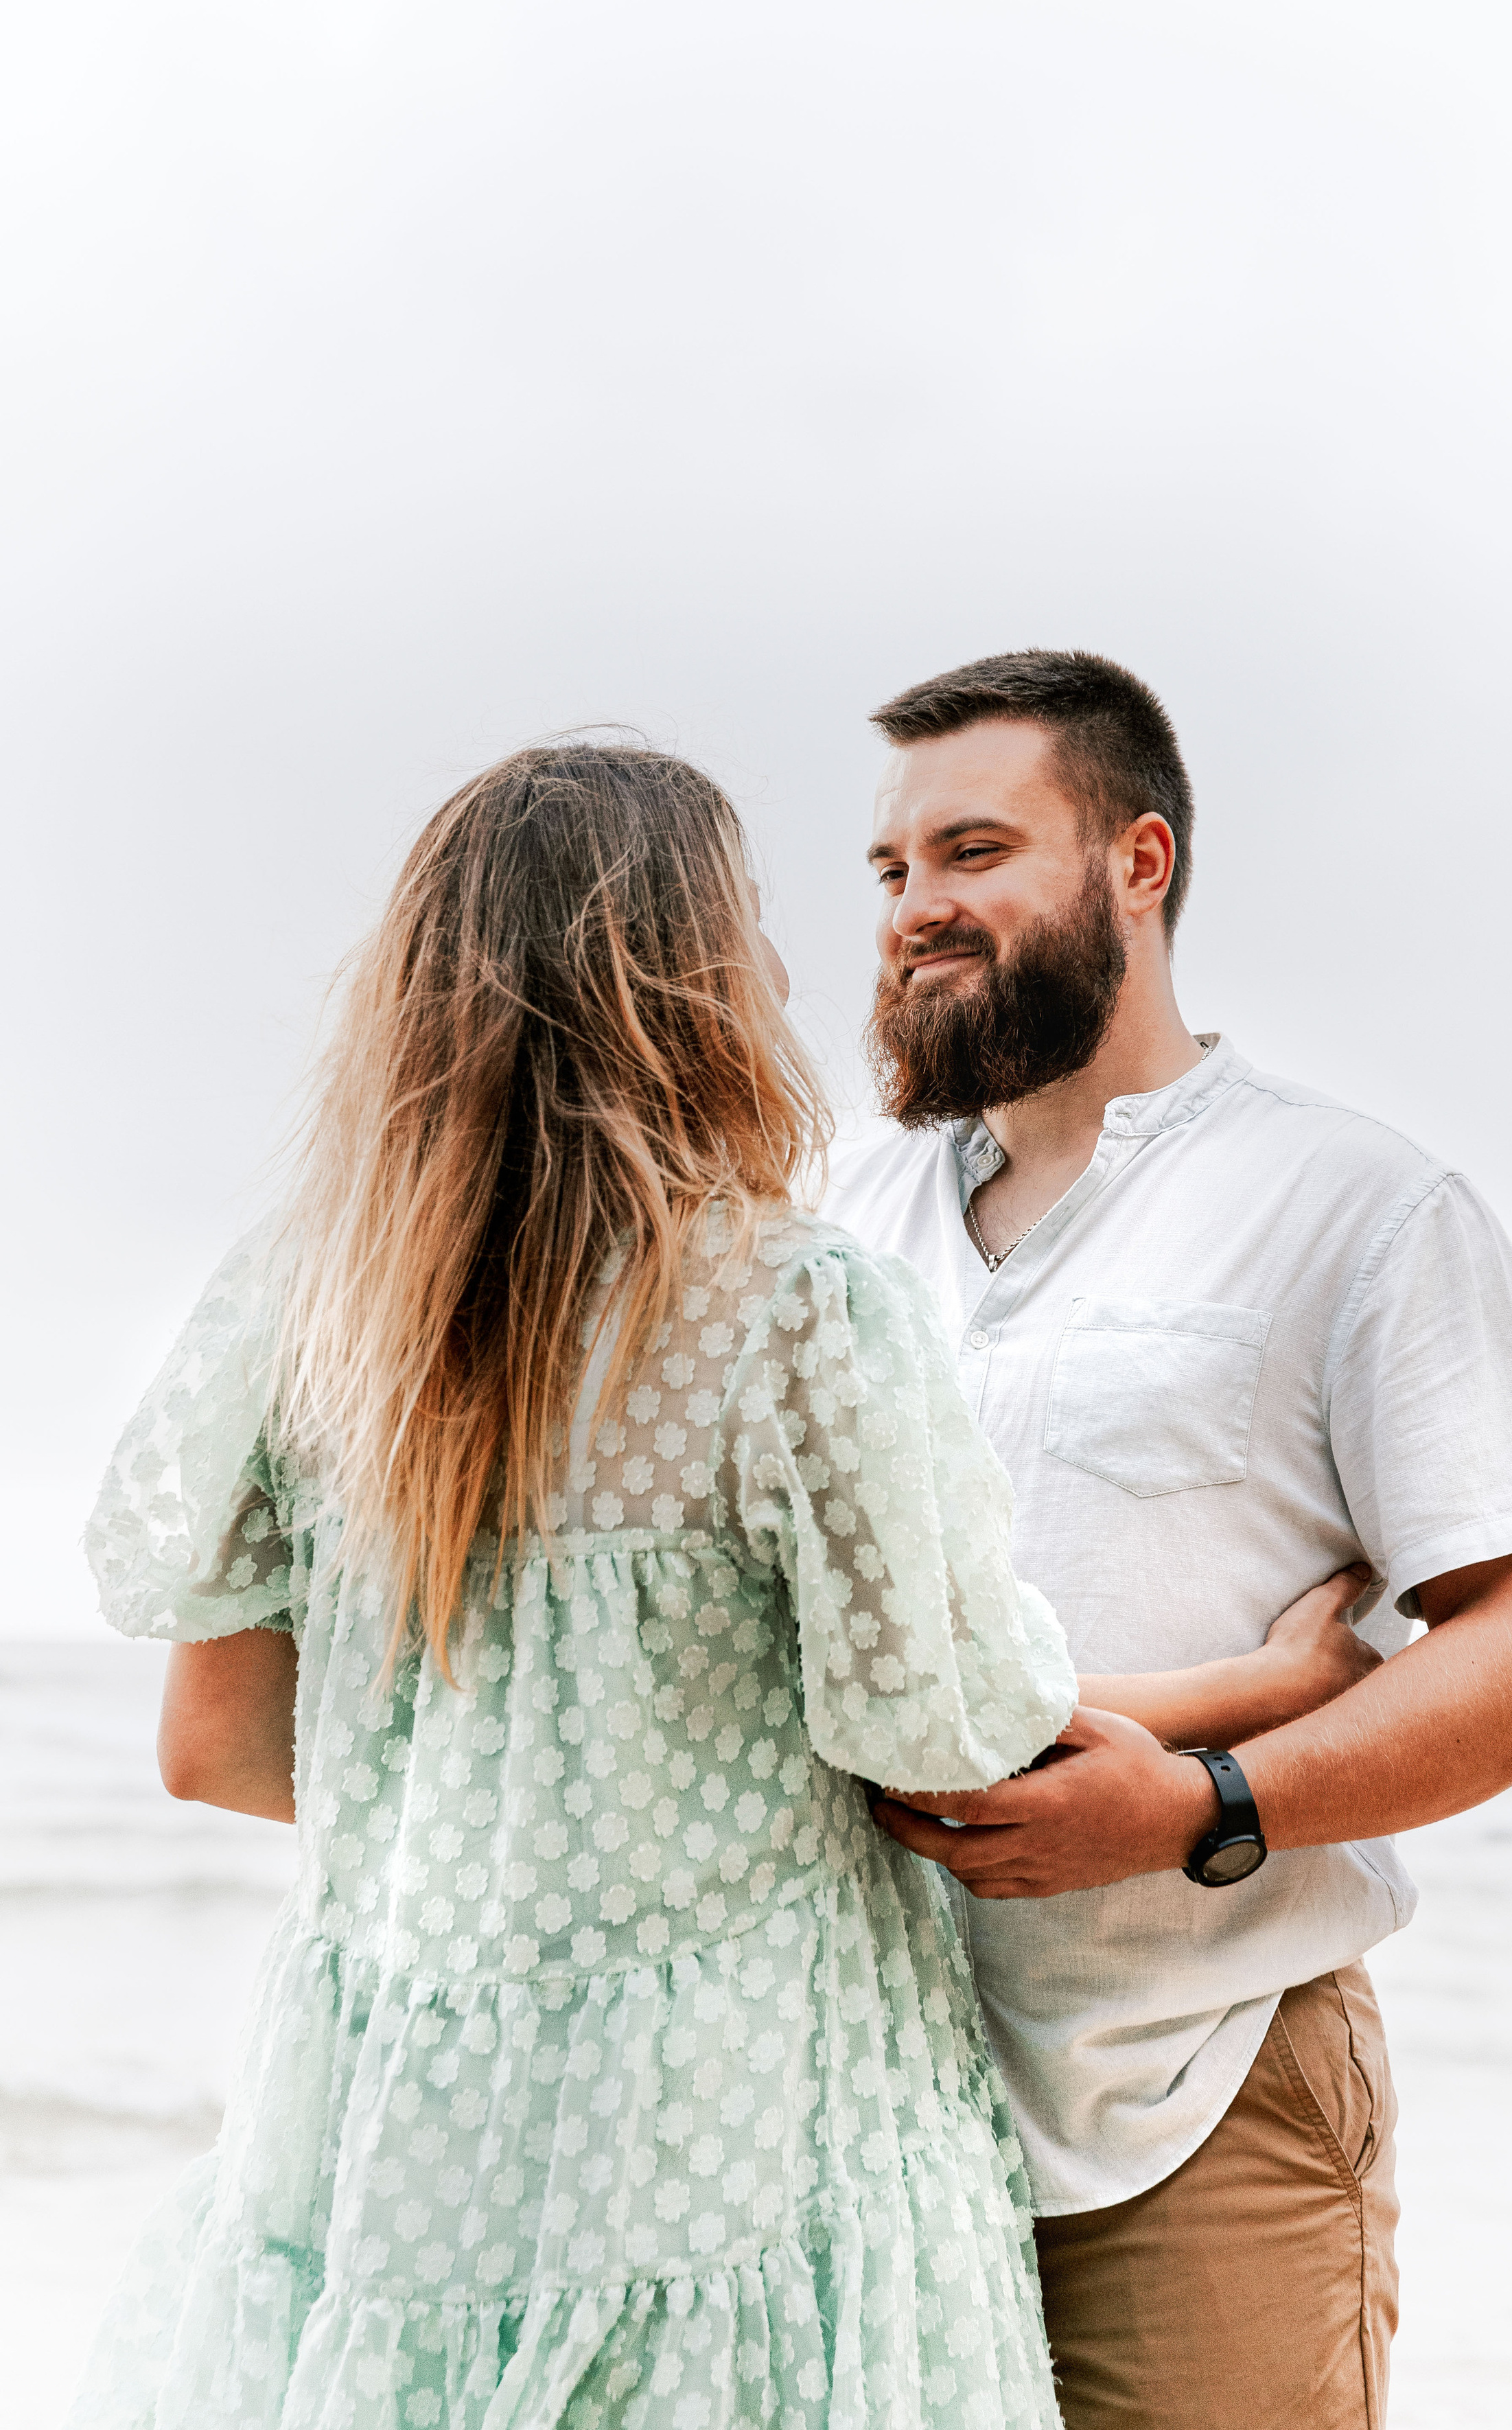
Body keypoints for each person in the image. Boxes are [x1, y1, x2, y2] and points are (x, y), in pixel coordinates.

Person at [71, 737, 1377, 2430]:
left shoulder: (305, 1309)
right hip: (736, 2150)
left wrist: (501, 1815)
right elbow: (945, 1745)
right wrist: (1266, 1689)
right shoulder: (785, 1313)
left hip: (401, 2136)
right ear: (681, 976)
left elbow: (221, 1751)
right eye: (749, 922)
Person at [827, 649, 1512, 2430]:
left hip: (1203, 2099)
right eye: (890, 874)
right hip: (857, 2111)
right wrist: (1232, 1690)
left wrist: (1200, 1804)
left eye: (971, 852)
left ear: (1137, 862)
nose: (916, 913)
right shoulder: (831, 1220)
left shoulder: (1352, 1206)